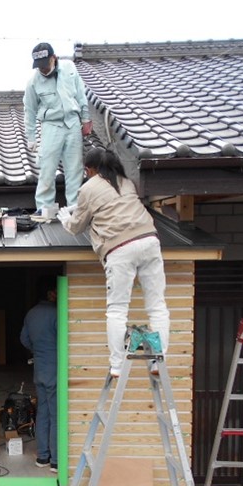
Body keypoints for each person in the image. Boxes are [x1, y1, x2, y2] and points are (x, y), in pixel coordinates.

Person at [58, 147, 170, 378]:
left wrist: (65, 218)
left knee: (117, 309)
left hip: (120, 247)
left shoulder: (88, 187)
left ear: (90, 169)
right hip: (149, 240)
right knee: (157, 306)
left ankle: (117, 365)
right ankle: (159, 361)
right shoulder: (126, 182)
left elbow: (77, 226)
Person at [23, 42, 93, 214]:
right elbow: (29, 111)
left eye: (45, 64)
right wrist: (31, 137)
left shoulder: (69, 68)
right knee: (47, 168)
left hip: (72, 122)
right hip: (51, 125)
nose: (42, 69)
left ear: (53, 58)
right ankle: (44, 209)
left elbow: (81, 94)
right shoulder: (33, 82)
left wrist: (85, 119)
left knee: (75, 169)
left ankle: (74, 210)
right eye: (39, 66)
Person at [20, 276, 58, 472]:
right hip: (55, 370)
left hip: (39, 370)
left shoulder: (31, 313)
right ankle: (56, 461)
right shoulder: (57, 313)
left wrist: (38, 350)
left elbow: (24, 339)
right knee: (56, 414)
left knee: (43, 413)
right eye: (56, 291)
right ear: (50, 293)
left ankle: (42, 457)